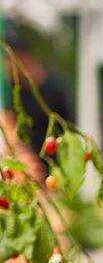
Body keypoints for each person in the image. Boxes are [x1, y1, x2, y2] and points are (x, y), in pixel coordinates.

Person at [1, 21, 74, 175]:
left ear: (26, 59)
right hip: (27, 170)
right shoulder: (13, 95)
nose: (8, 68)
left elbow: (68, 131)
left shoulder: (53, 93)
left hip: (52, 170)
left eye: (12, 62)